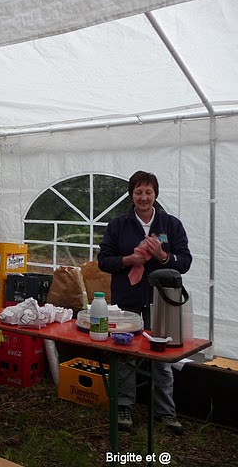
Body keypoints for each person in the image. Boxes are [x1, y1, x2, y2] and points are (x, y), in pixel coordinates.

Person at [98, 171, 192, 435]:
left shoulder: (171, 224)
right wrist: (128, 260)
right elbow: (103, 261)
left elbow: (185, 262)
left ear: (155, 195)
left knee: (162, 356)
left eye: (148, 192)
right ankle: (124, 406)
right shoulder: (118, 225)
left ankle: (166, 412)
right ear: (131, 195)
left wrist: (163, 256)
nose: (143, 197)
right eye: (138, 192)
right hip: (127, 300)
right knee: (125, 354)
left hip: (162, 301)